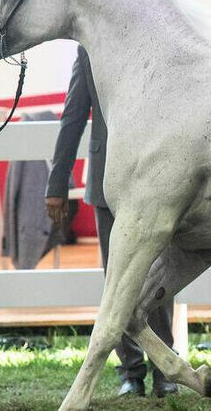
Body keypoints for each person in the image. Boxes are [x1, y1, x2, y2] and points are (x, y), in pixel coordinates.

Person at [45, 46, 179, 398]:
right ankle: (130, 371)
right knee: (116, 281)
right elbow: (73, 117)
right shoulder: (89, 51)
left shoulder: (157, 44)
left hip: (155, 181)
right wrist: (57, 183)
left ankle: (165, 368)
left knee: (158, 276)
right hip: (106, 183)